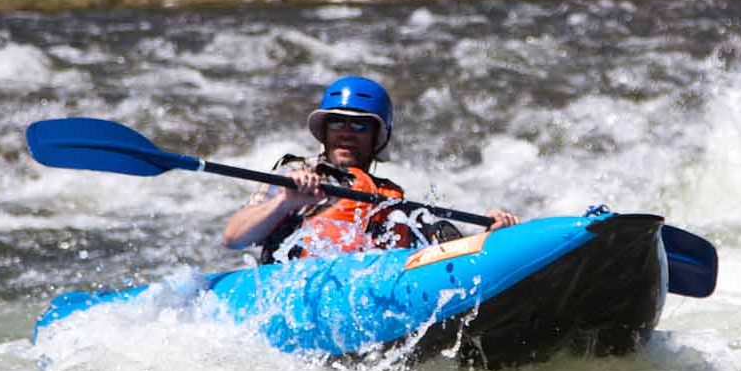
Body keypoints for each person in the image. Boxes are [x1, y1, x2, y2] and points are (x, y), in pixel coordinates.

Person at [222, 76, 519, 262]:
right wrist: (284, 201)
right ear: (324, 131)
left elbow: (450, 253)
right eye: (338, 122)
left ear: (377, 138)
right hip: (295, 288)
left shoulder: (390, 198)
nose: (347, 132)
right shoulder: (295, 174)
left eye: (360, 125)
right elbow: (234, 238)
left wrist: (492, 232)